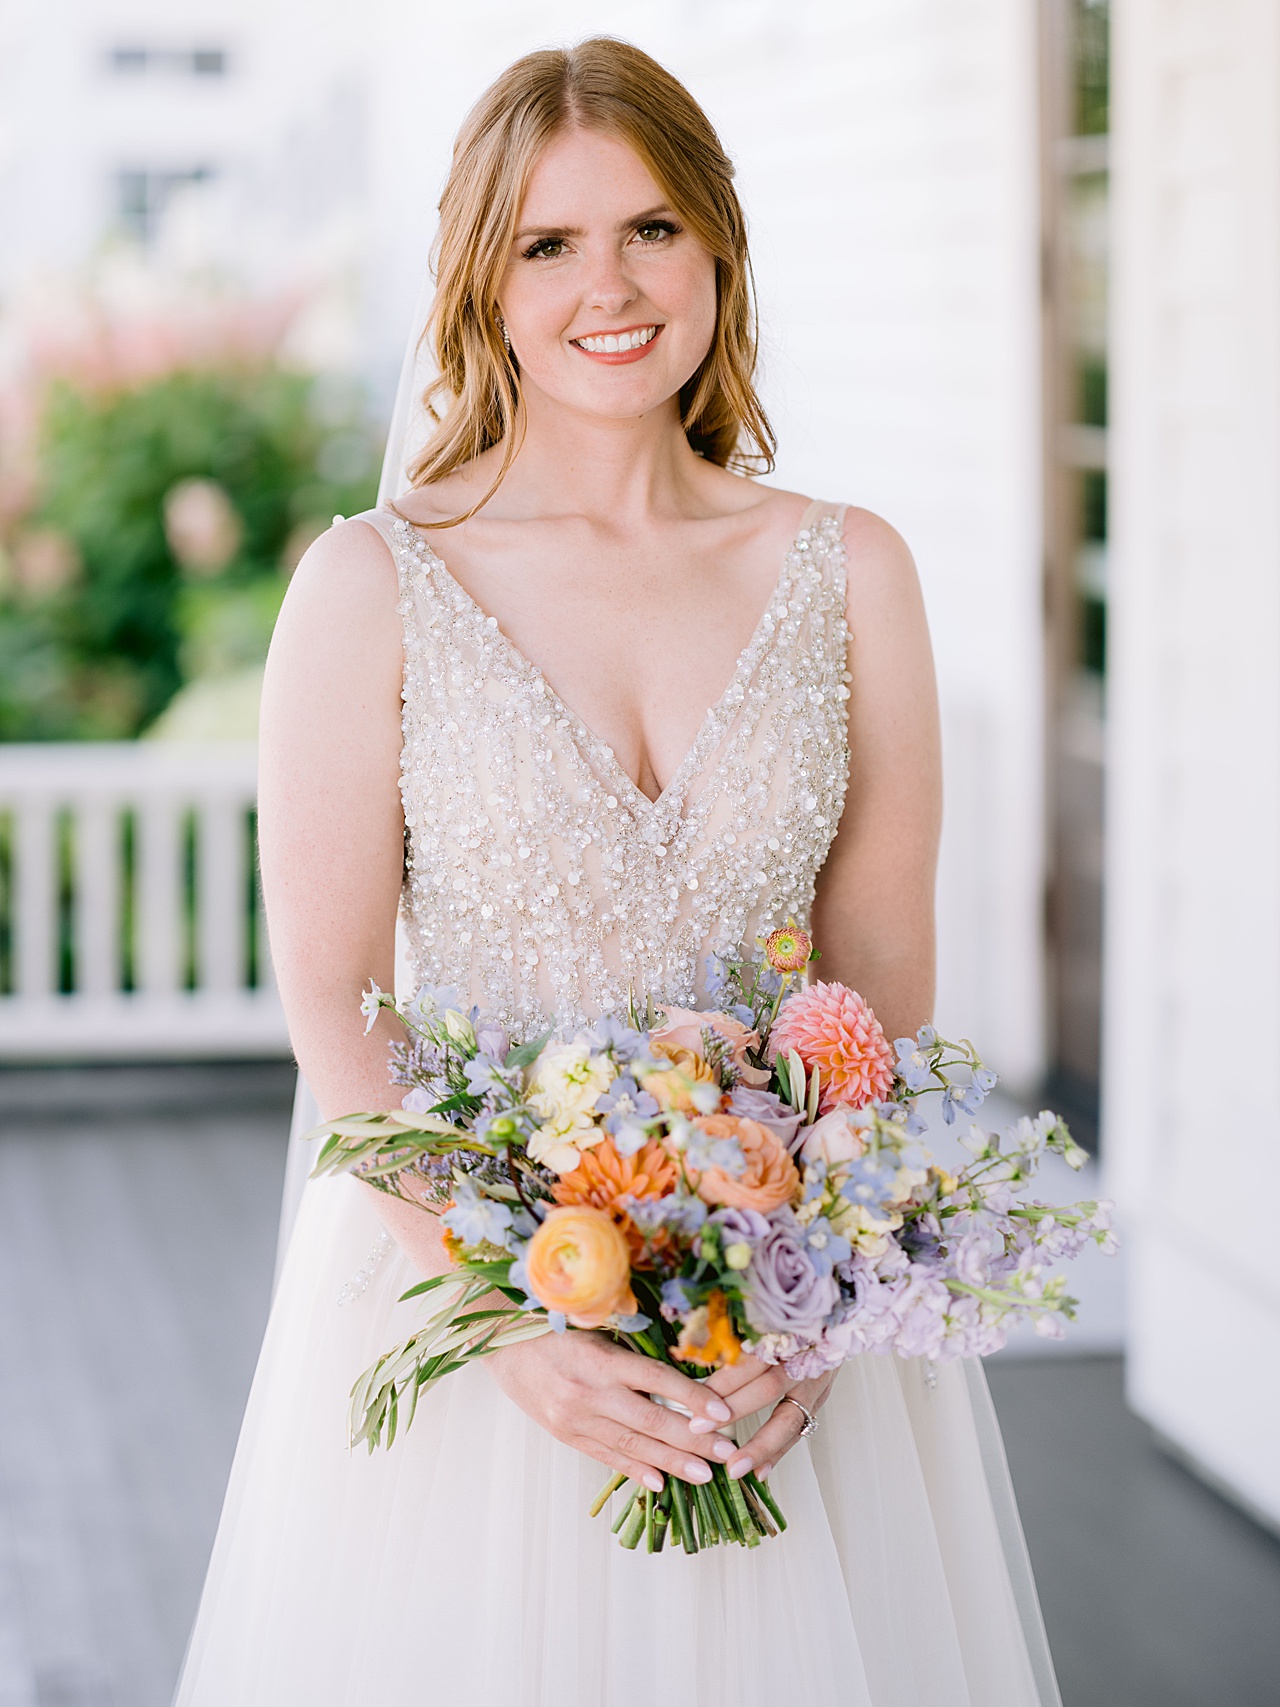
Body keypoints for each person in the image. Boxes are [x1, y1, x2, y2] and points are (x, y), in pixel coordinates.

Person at [174, 38, 1061, 1707]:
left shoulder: (850, 569)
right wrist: (519, 1316)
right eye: (549, 243)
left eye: (653, 228)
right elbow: (337, 1008)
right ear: (480, 280)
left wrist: (816, 1297)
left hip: (785, 1332)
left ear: (719, 245)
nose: (613, 286)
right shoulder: (371, 586)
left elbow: (877, 977)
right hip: (468, 1325)